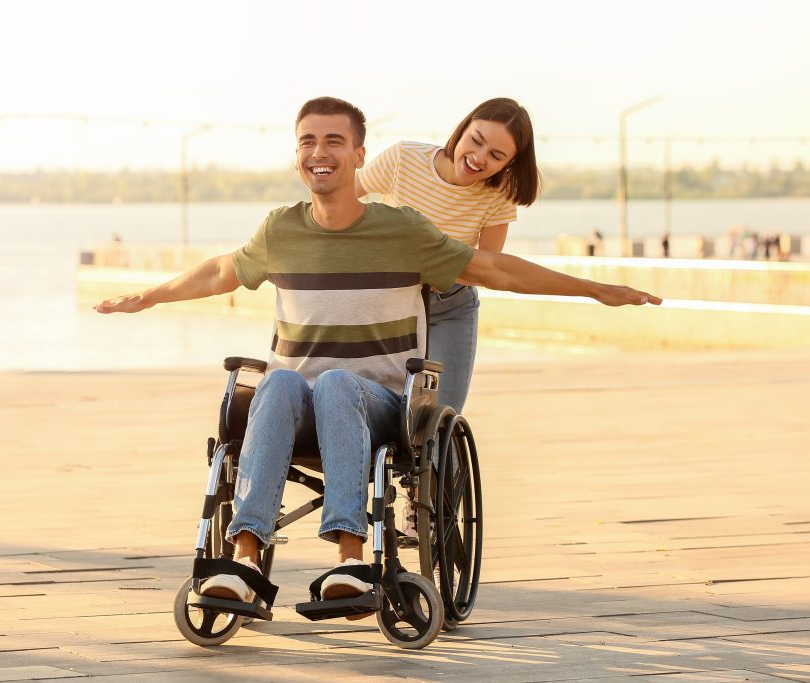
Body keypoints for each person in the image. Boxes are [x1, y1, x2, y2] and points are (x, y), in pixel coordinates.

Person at [95, 97, 661, 616]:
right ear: (298, 156)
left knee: (341, 383)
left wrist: (594, 288)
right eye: (309, 142)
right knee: (274, 383)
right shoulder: (282, 227)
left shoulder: (406, 231)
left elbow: (493, 268)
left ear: (358, 156)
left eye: (335, 142)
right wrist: (149, 295)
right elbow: (221, 270)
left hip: (383, 394)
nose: (321, 153)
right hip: (300, 403)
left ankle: (351, 560)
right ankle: (242, 564)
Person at [356, 97, 536, 416]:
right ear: (462, 128)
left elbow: (487, 265)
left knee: (438, 420)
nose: (478, 158)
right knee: (373, 409)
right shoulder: (404, 158)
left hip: (450, 306)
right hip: (388, 304)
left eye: (496, 155)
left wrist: (432, 267)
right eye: (475, 141)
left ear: (510, 163)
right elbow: (342, 200)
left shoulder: (500, 192)